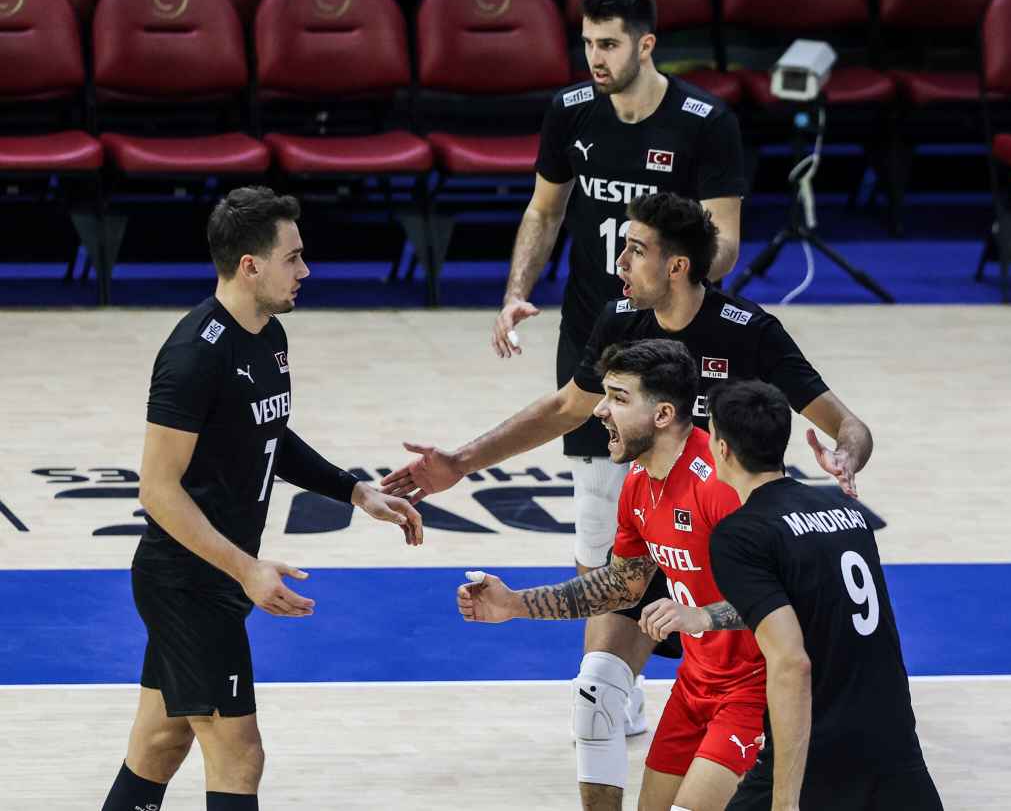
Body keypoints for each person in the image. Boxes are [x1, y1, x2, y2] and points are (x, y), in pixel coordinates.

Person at [383, 191, 872, 806]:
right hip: (668, 541)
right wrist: (461, 466)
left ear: (677, 265)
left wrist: (846, 455)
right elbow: (565, 409)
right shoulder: (622, 342)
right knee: (595, 693)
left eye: (635, 250)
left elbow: (848, 426)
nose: (618, 262)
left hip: (731, 561)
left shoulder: (748, 335)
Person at [100, 187, 423, 811]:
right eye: (292, 258)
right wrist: (246, 568)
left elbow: (268, 430)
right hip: (187, 583)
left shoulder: (268, 334)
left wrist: (355, 490)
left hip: (215, 576)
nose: (306, 271)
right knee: (240, 756)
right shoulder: (193, 355)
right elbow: (157, 490)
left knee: (161, 743)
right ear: (250, 265)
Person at [491, 0, 747, 757]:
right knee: (599, 520)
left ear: (646, 44)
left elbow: (726, 243)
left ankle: (728, 669)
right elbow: (545, 209)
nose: (595, 57)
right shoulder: (571, 111)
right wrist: (516, 291)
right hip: (594, 338)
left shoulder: (706, 123)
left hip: (674, 347)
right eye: (588, 43)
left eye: (609, 44)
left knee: (704, 513)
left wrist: (672, 275)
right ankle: (607, 683)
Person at [457, 339, 764, 811]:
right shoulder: (639, 482)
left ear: (662, 415)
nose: (600, 411)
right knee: (596, 703)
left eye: (618, 398)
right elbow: (623, 585)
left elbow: (787, 599)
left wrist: (701, 616)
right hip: (697, 684)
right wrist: (515, 603)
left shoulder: (721, 485)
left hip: (758, 688)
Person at [706, 380, 944, 811]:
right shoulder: (847, 511)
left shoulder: (740, 535)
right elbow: (819, 605)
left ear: (722, 448)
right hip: (891, 738)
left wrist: (785, 801)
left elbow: (791, 662)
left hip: (819, 747)